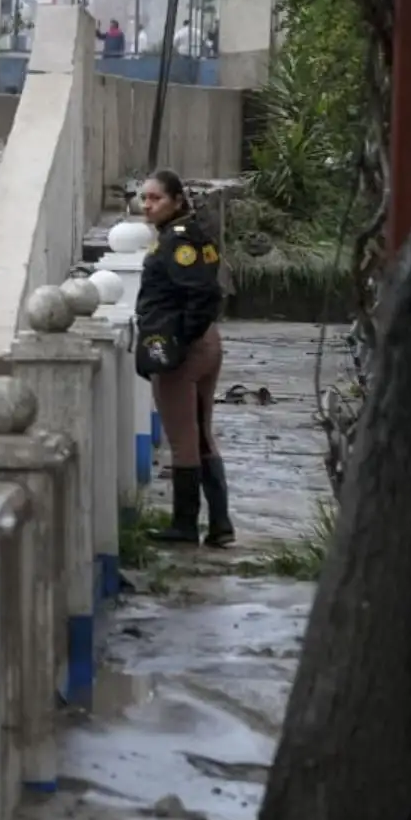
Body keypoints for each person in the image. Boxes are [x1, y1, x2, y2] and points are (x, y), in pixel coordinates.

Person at [133, 169, 234, 547]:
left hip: (187, 348)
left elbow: (204, 294)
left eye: (156, 198)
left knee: (183, 439)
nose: (147, 205)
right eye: (144, 198)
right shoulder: (193, 234)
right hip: (209, 343)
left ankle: (185, 524)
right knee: (202, 431)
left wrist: (180, 341)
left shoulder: (177, 241)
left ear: (177, 201)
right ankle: (220, 525)